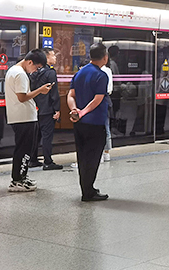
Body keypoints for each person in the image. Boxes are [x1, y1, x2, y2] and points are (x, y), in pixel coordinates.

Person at [67, 43, 110, 202]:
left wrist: (74, 110)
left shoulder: (79, 73)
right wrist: (84, 111)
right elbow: (98, 99)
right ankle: (88, 192)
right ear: (104, 57)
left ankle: (86, 188)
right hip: (95, 123)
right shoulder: (101, 75)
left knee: (83, 156)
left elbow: (71, 95)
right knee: (92, 159)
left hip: (80, 124)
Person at [5, 49, 51, 192]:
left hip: (19, 117)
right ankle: (18, 180)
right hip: (24, 117)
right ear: (30, 62)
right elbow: (22, 97)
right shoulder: (20, 74)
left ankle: (20, 177)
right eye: (36, 67)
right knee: (24, 150)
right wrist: (40, 90)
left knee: (22, 148)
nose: (34, 71)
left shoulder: (12, 70)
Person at [30, 48, 62, 170]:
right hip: (47, 109)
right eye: (53, 55)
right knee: (47, 136)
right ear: (46, 58)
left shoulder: (34, 72)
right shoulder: (50, 73)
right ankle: (48, 161)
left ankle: (33, 159)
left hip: (36, 108)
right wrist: (57, 109)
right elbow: (53, 93)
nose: (55, 58)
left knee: (36, 135)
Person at [101, 59, 114, 162]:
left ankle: (101, 153)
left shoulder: (100, 71)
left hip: (101, 98)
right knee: (106, 126)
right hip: (106, 98)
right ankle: (106, 153)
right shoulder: (108, 70)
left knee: (101, 126)